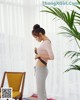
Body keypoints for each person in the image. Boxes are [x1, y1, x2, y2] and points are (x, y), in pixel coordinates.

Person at [32, 24, 54, 100]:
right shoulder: (44, 42)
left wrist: (39, 55)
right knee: (41, 91)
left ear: (40, 34)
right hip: (39, 69)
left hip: (41, 69)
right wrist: (37, 52)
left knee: (40, 92)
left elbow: (52, 57)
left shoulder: (46, 42)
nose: (36, 39)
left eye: (36, 37)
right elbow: (44, 55)